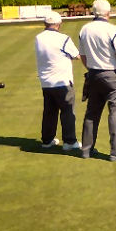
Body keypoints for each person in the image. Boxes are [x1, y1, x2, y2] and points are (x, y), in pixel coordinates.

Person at [79, 0, 116, 161]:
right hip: (112, 75)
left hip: (94, 74)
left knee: (92, 113)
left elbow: (82, 55)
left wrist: (91, 69)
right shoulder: (114, 30)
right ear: (108, 13)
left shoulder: (84, 29)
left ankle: (86, 150)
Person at [34, 12, 81, 151]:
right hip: (62, 81)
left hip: (46, 82)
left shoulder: (38, 38)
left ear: (45, 24)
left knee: (49, 111)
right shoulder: (63, 38)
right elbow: (76, 56)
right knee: (67, 111)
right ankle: (70, 142)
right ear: (59, 24)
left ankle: (47, 140)